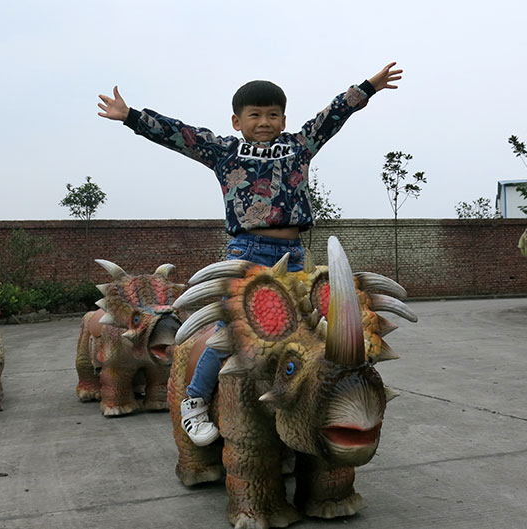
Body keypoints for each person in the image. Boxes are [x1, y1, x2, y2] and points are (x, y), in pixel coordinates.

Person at [97, 62, 403, 445]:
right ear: (237, 120)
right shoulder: (225, 150)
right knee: (232, 331)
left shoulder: (298, 145)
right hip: (248, 252)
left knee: (309, 331)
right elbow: (181, 135)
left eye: (272, 114)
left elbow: (334, 114)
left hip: (293, 253)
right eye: (254, 115)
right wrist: (131, 117)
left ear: (284, 118)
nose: (264, 121)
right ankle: (194, 400)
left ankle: (312, 402)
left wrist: (368, 87)